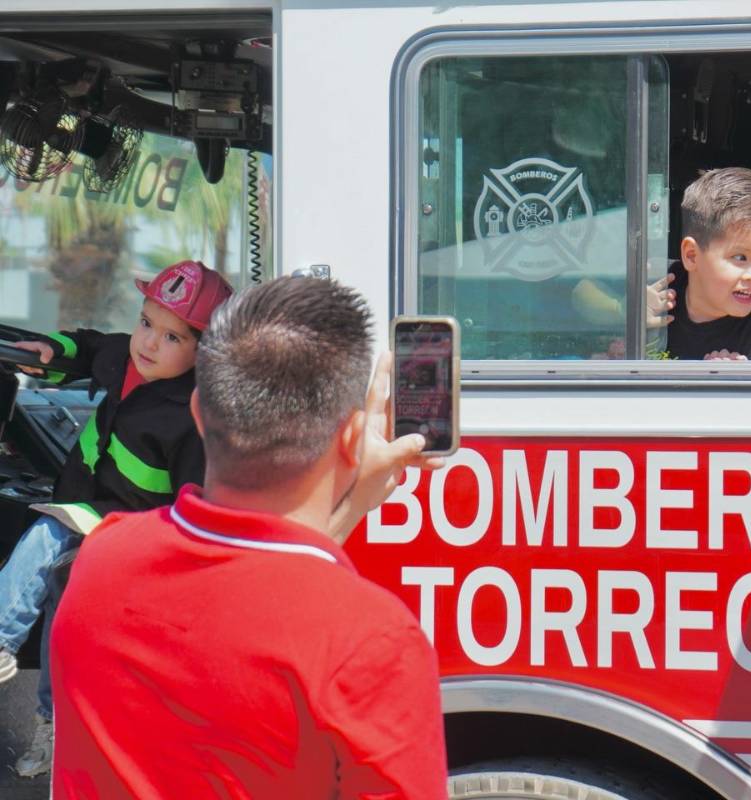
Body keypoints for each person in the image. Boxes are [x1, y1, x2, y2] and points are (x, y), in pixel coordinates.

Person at [51, 277, 449, 798]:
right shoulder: (373, 643)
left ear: (197, 412)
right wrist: (352, 499)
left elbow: (235, 596)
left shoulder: (100, 562)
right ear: (351, 438)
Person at [0, 259, 233, 778]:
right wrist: (50, 351)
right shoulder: (123, 361)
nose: (148, 343)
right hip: (89, 508)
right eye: (146, 323)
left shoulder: (192, 416)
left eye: (172, 337)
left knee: (47, 532)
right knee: (61, 608)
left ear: (204, 353)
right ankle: (52, 724)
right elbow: (85, 346)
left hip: (135, 530)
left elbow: (198, 504)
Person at [666, 167, 751, 361]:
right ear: (692, 255)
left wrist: (740, 387)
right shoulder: (655, 284)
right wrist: (627, 316)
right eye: (740, 257)